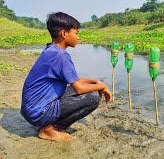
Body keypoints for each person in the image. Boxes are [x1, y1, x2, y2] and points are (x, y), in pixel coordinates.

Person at [21, 12, 112, 141]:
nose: (78, 37)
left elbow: (72, 78)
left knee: (91, 87)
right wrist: (102, 85)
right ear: (64, 33)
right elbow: (79, 88)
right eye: (76, 33)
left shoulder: (51, 50)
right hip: (38, 112)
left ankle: (46, 124)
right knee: (92, 98)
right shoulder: (60, 56)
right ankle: (50, 129)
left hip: (33, 108)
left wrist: (95, 82)